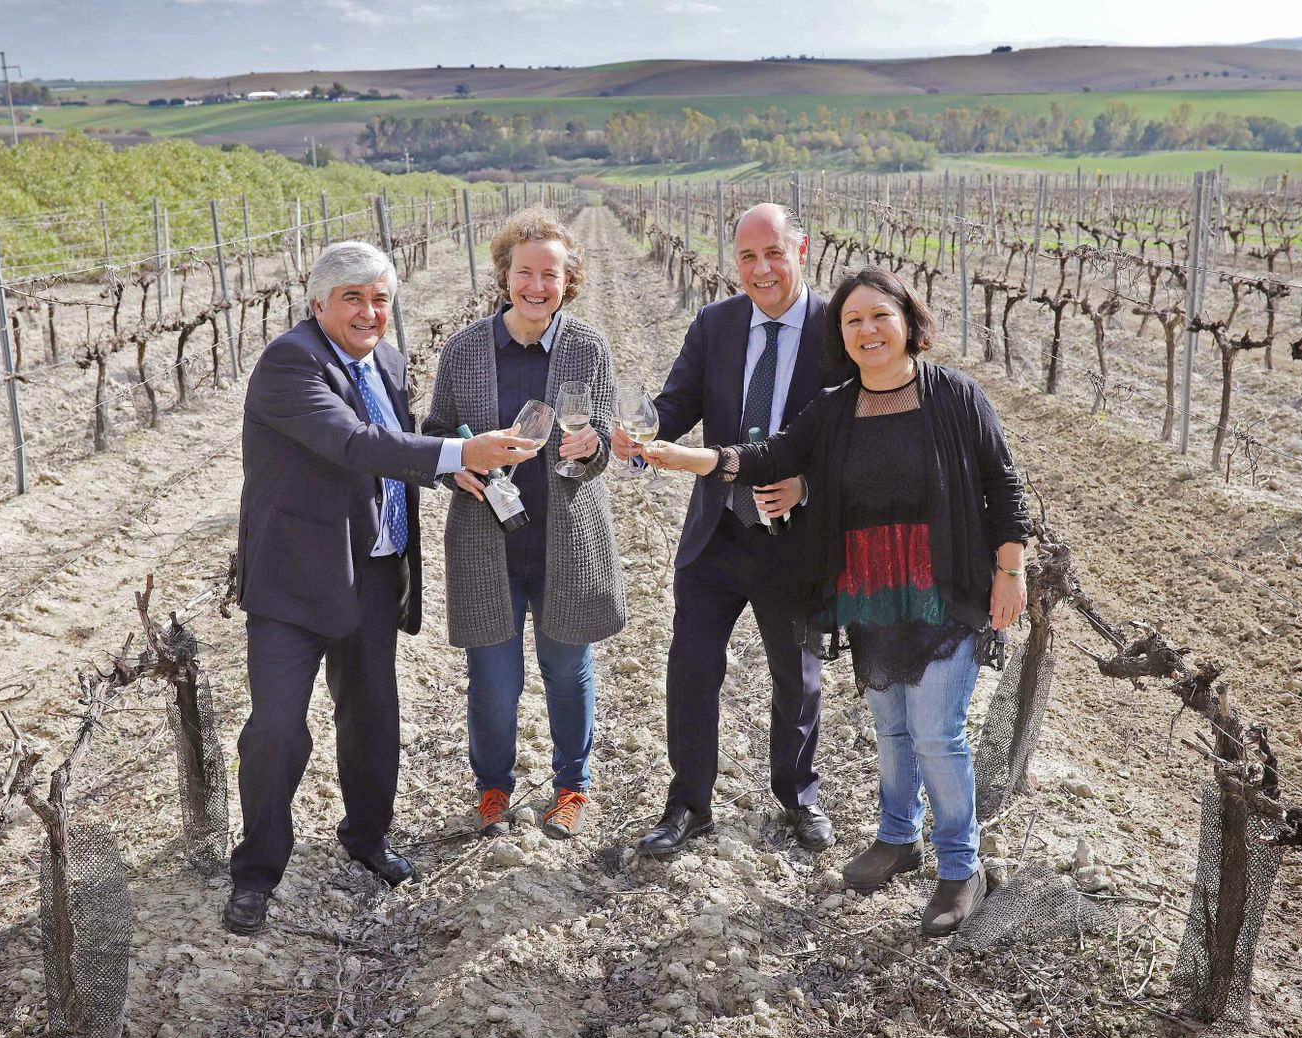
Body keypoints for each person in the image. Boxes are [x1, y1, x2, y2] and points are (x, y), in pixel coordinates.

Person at [638, 265, 1031, 936]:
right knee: (894, 728)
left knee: (937, 731)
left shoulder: (956, 396)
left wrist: (1011, 570)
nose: (868, 329)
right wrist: (688, 459)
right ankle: (897, 836)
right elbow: (767, 458)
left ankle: (960, 866)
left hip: (946, 589)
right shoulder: (835, 407)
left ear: (909, 321)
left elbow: (1004, 483)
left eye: (880, 315)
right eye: (853, 321)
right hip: (872, 591)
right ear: (840, 335)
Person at [224, 241, 530, 935]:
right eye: (353, 298)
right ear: (318, 306)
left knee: (372, 715)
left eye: (381, 298)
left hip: (373, 567)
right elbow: (355, 443)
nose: (370, 311)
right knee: (276, 728)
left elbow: (394, 438)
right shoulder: (290, 362)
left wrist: (456, 464)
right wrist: (456, 453)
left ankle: (366, 838)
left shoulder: (386, 361)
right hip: (294, 580)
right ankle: (257, 870)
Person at [610, 203, 852, 857]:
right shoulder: (715, 324)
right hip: (717, 528)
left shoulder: (840, 328)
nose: (761, 268)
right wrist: (644, 429)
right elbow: (675, 405)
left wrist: (809, 483)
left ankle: (798, 794)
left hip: (793, 533)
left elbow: (860, 434)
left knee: (795, 675)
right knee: (691, 667)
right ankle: (690, 802)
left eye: (773, 252)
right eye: (747, 257)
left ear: (801, 250)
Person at [425, 207, 625, 840]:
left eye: (551, 275)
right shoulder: (463, 350)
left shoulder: (588, 347)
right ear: (504, 275)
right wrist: (456, 467)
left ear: (570, 280)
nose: (537, 286)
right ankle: (493, 787)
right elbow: (434, 435)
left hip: (567, 540)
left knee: (568, 668)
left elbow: (604, 442)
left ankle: (573, 787)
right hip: (487, 542)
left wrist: (588, 448)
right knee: (493, 678)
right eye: (525, 272)